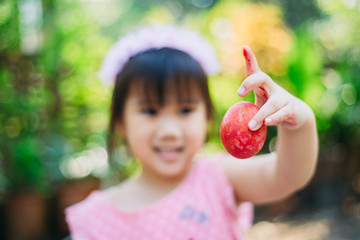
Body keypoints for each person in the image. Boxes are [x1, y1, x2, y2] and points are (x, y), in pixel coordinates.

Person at [65, 25, 318, 239]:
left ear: (207, 114)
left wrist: (299, 122)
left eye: (185, 110)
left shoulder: (219, 179)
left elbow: (288, 175)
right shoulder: (95, 221)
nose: (169, 131)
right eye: (150, 111)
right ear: (120, 118)